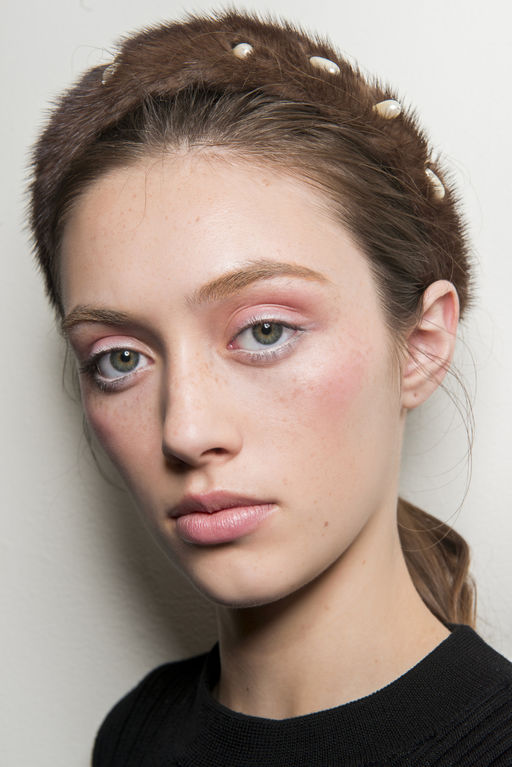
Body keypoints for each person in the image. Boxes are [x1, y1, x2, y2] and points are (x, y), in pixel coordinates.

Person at [28, 10, 512, 766]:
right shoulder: (134, 735)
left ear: (421, 346)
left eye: (263, 331)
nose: (186, 431)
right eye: (120, 358)